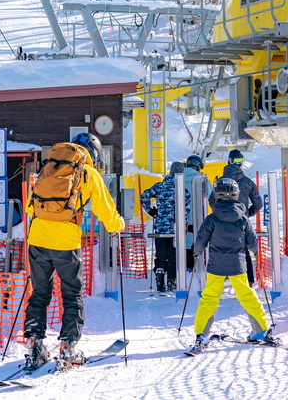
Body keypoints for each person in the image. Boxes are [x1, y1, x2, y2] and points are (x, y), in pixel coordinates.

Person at [23, 132, 124, 369]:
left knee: (39, 293)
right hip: (66, 243)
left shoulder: (48, 167)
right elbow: (107, 211)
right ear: (93, 154)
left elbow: (31, 207)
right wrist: (118, 224)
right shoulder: (88, 173)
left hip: (37, 238)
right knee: (71, 294)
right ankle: (68, 347)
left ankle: (35, 346)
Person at [191, 177, 270, 350]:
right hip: (238, 265)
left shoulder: (211, 219)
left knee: (209, 298)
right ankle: (261, 330)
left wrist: (197, 253)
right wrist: (255, 251)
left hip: (216, 265)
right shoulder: (242, 218)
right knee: (247, 296)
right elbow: (252, 240)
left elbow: (201, 239)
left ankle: (202, 335)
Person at [140, 161, 185, 291]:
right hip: (176, 229)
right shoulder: (183, 189)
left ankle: (159, 278)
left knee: (160, 254)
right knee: (173, 254)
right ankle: (172, 280)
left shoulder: (159, 186)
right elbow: (185, 210)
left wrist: (151, 211)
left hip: (160, 227)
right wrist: (184, 226)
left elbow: (144, 196)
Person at [219, 149, 263, 219]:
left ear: (229, 162)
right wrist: (246, 214)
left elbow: (212, 200)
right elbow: (258, 204)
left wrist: (219, 213)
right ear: (241, 164)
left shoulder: (219, 182)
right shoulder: (248, 183)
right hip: (241, 220)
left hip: (221, 220)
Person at [182, 154, 208, 270]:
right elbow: (211, 195)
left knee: (181, 243)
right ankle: (194, 267)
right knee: (196, 243)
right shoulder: (202, 179)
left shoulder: (176, 177)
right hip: (198, 218)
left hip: (179, 219)